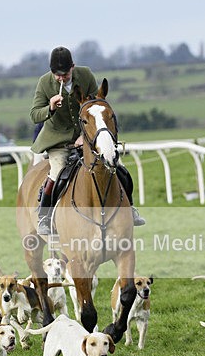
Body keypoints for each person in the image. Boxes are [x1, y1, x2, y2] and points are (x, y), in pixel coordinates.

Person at [30, 46, 145, 234]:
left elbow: (95, 104)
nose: (61, 78)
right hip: (58, 141)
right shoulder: (44, 83)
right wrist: (50, 107)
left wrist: (84, 136)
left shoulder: (85, 75)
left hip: (88, 137)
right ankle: (45, 217)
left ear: (72, 67)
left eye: (65, 74)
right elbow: (34, 115)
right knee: (57, 171)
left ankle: (129, 208)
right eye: (57, 75)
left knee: (118, 166)